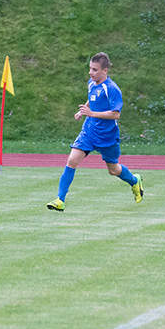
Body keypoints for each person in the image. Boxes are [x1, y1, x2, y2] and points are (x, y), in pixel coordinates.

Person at [47, 52, 143, 211]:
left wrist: (91, 113)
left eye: (94, 69)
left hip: (107, 136)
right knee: (72, 160)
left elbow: (115, 114)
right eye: (90, 68)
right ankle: (60, 200)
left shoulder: (112, 89)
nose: (90, 72)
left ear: (105, 70)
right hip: (89, 132)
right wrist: (83, 111)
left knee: (113, 170)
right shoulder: (91, 83)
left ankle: (134, 181)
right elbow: (93, 98)